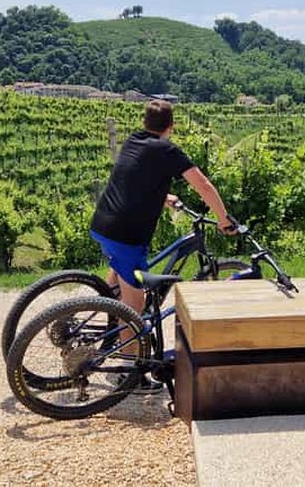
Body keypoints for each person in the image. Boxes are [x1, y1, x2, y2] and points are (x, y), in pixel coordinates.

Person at [90, 99, 236, 391]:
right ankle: (128, 372)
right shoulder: (168, 149)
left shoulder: (134, 140)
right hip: (126, 233)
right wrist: (223, 219)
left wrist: (165, 196)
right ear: (171, 126)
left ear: (145, 122)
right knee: (136, 303)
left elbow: (135, 176)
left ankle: (110, 333)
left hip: (103, 223)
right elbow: (204, 185)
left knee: (117, 282)